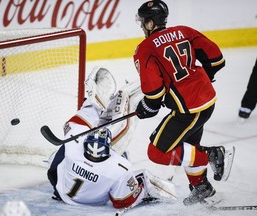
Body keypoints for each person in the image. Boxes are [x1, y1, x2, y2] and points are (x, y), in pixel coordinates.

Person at [133, 0, 227, 206]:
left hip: (188, 109)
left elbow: (154, 93)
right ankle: (201, 186)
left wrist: (147, 107)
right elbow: (217, 58)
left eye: (143, 22)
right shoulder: (184, 31)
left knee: (156, 151)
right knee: (189, 147)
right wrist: (204, 77)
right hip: (207, 100)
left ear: (150, 24)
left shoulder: (145, 48)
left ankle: (211, 154)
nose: (142, 26)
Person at [46, 66, 176, 209]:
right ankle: (102, 103)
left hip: (62, 192)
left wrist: (91, 105)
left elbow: (73, 125)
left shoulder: (73, 145)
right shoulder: (118, 167)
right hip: (94, 199)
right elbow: (122, 202)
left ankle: (98, 103)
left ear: (85, 145)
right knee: (142, 178)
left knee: (57, 155)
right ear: (109, 150)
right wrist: (142, 189)